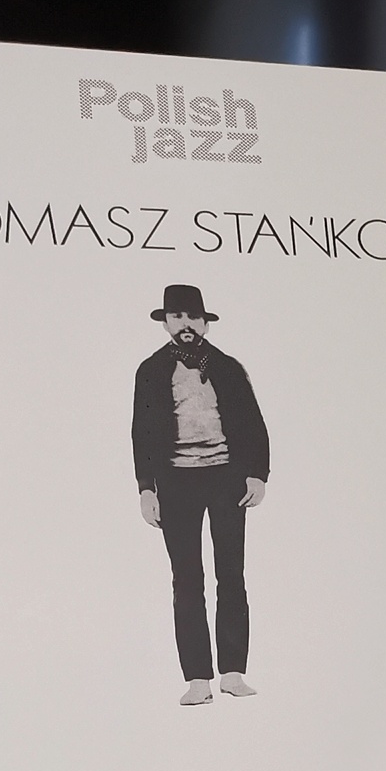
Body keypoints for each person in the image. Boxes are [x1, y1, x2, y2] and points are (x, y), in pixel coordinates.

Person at [131, 285, 270, 705]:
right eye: (177, 317)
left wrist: (257, 475)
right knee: (187, 580)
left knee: (231, 574)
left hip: (227, 478)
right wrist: (146, 489)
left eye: (193, 317)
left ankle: (232, 673)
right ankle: (197, 680)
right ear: (166, 323)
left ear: (205, 323)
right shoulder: (151, 370)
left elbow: (253, 423)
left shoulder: (227, 367)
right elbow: (142, 434)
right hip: (176, 482)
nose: (185, 324)